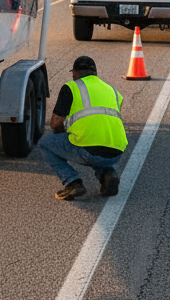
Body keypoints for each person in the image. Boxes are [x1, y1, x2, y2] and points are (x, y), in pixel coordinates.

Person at [39, 55, 127, 200]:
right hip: (116, 153)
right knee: (98, 146)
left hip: (89, 152)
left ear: (74, 73)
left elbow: (55, 123)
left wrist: (66, 130)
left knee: (45, 142)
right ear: (95, 73)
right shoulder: (113, 91)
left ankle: (72, 182)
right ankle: (108, 173)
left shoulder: (71, 88)